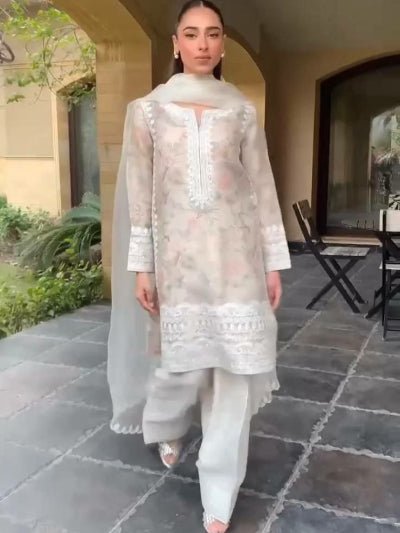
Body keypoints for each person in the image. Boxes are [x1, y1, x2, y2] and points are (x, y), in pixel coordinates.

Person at [107, 1, 291, 531]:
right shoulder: (148, 111)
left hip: (237, 264)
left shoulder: (241, 111)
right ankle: (166, 425)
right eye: (192, 34)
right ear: (176, 44)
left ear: (223, 43)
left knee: (233, 375)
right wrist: (142, 267)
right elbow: (140, 195)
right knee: (180, 369)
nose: (203, 44)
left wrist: (273, 263)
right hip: (179, 267)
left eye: (213, 34)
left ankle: (218, 492)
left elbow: (262, 189)